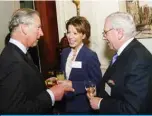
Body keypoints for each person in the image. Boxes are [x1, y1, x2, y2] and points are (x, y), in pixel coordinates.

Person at [0, 8, 74, 114]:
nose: (42, 33)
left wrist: (43, 84)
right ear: (24, 28)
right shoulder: (13, 62)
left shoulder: (18, 53)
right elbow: (14, 111)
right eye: (38, 27)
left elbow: (24, 87)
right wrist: (51, 95)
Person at [87, 11, 152, 114]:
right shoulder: (124, 52)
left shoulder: (139, 60)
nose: (104, 37)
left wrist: (100, 103)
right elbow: (114, 83)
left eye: (105, 32)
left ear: (119, 33)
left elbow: (132, 109)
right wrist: (98, 91)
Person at [55, 16, 102, 114]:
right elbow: (64, 75)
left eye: (75, 33)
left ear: (84, 35)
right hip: (64, 106)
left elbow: (96, 83)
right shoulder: (64, 52)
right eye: (68, 32)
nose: (70, 36)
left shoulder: (90, 56)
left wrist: (73, 84)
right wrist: (57, 80)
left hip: (82, 107)